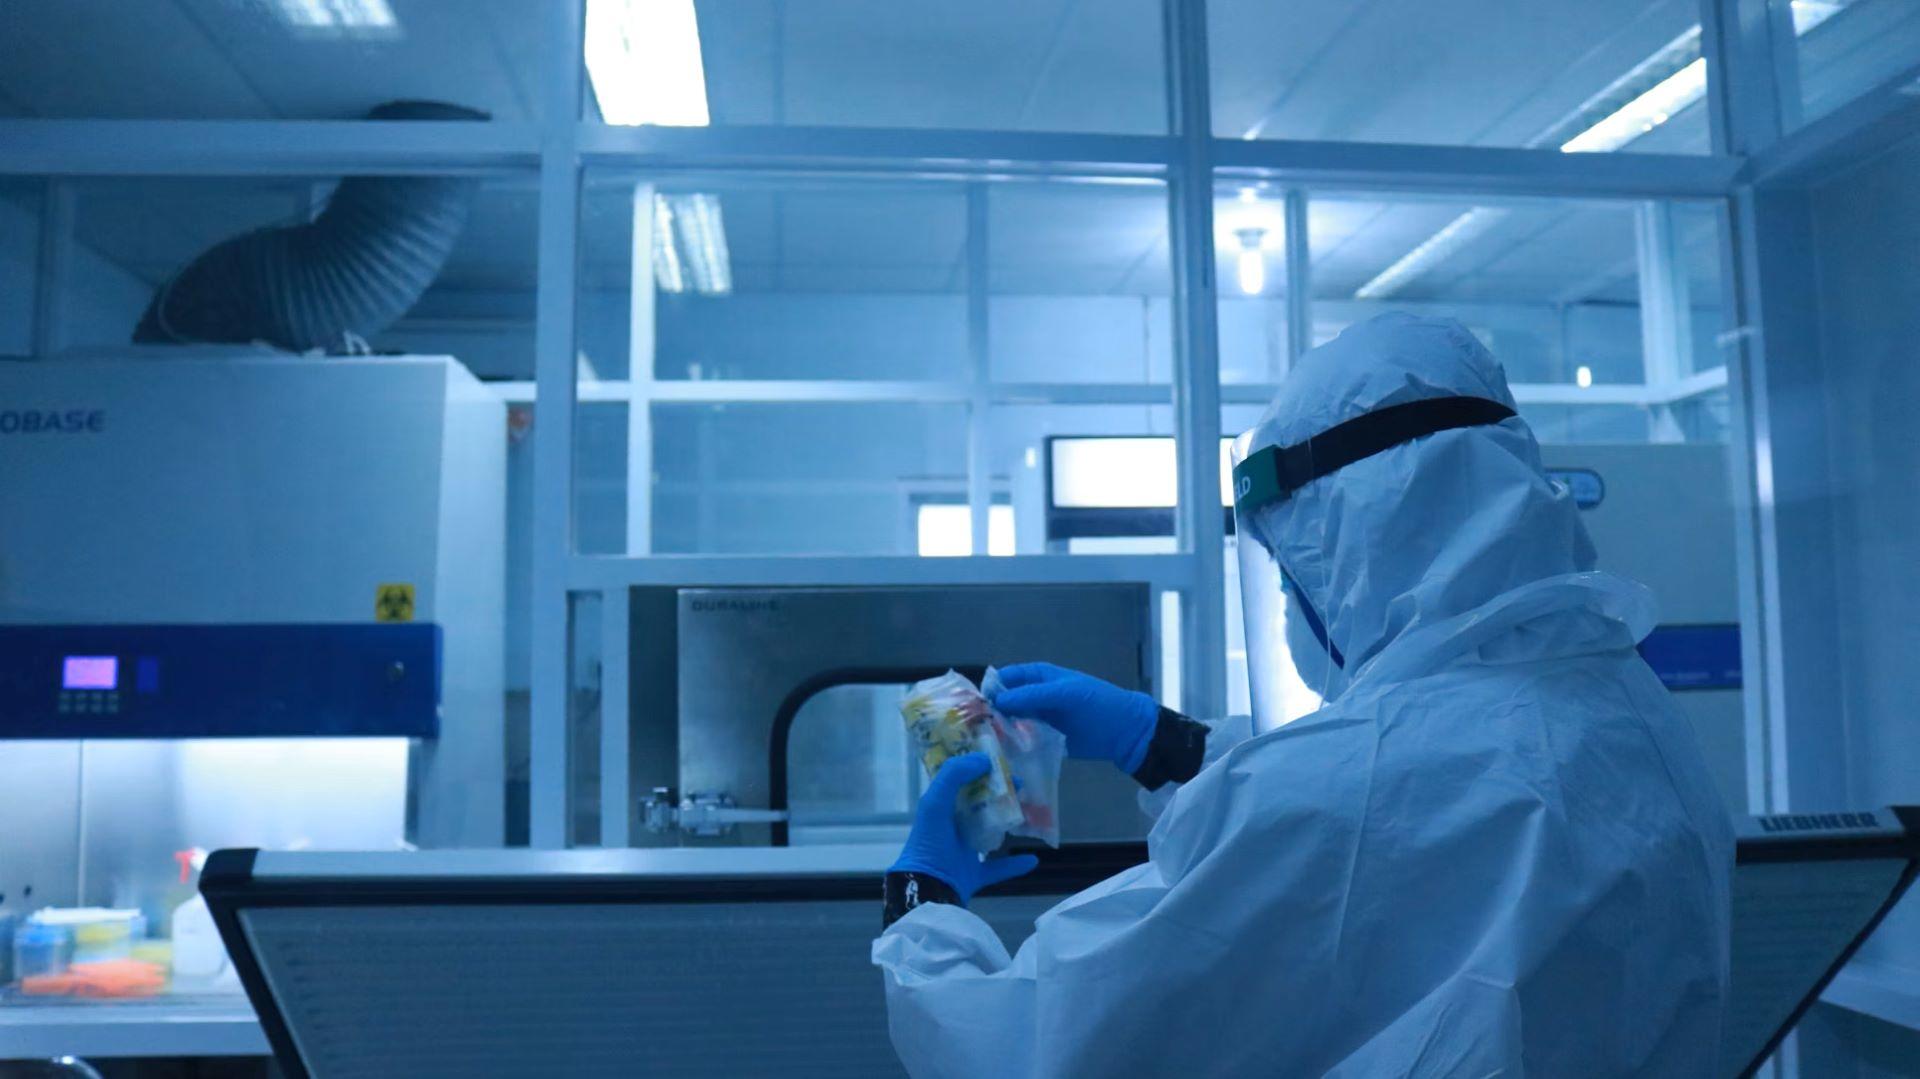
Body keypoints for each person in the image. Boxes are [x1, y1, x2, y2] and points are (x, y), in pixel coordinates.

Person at [872, 312, 1734, 1077]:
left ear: (1353, 549)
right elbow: (1408, 818)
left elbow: (1026, 1044)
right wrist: (1167, 743)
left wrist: (923, 907)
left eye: (1291, 576)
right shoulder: (1630, 710)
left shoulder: (1352, 790)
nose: (1289, 604)